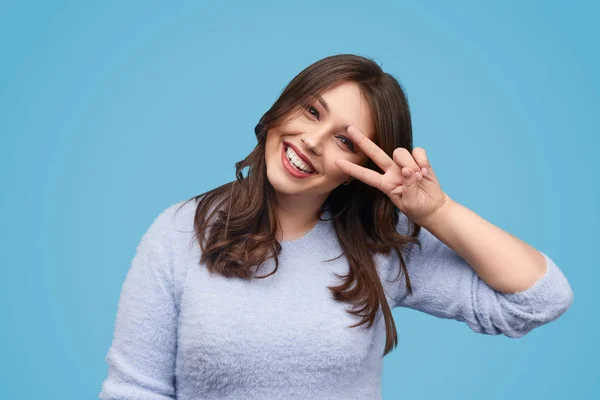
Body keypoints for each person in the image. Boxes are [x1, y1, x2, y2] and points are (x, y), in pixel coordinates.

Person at [99, 54, 574, 400]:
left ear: (363, 164)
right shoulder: (180, 232)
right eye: (311, 111)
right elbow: (134, 389)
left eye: (345, 140)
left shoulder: (378, 247)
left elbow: (539, 298)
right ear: (282, 107)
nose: (311, 142)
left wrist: (437, 212)